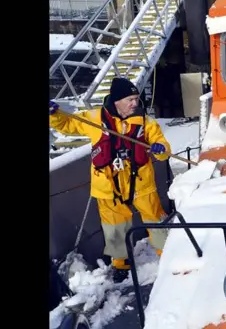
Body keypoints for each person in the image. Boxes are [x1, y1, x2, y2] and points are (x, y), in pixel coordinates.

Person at [49, 77, 172, 283]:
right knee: (114, 228)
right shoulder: (94, 118)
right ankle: (121, 263)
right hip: (108, 188)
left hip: (141, 184)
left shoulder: (145, 121)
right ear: (117, 100)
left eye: (136, 98)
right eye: (130, 99)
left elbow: (163, 146)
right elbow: (69, 124)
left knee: (155, 219)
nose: (135, 103)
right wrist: (55, 115)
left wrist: (161, 150)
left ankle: (168, 255)